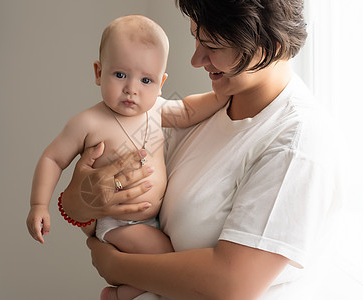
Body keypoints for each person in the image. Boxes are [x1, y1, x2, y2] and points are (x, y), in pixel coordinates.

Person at [59, 1, 343, 300]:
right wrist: (79, 204)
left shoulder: (297, 141)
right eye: (196, 37)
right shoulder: (192, 114)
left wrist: (116, 265)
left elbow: (232, 284)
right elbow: (96, 205)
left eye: (212, 46)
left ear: (267, 47)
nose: (196, 59)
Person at [26, 15, 228, 300]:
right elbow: (52, 159)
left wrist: (222, 95)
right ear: (98, 72)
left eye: (146, 80)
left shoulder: (157, 110)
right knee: (167, 261)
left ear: (161, 83)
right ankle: (122, 295)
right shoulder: (89, 122)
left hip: (150, 221)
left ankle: (122, 293)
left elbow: (188, 110)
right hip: (117, 224)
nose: (132, 88)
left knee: (169, 265)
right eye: (120, 75)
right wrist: (39, 205)